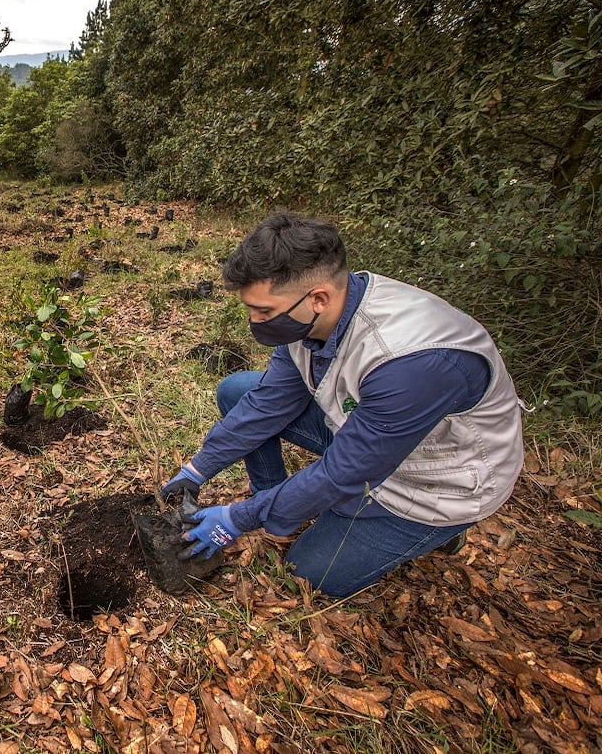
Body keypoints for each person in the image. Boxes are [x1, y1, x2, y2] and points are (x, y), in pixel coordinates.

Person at [166, 212, 524, 596]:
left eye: (265, 312)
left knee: (309, 574)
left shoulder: (412, 362)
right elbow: (267, 405)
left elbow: (346, 472)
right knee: (239, 391)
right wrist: (197, 469)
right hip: (364, 434)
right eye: (251, 308)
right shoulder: (308, 318)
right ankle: (278, 500)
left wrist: (237, 519)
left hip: (436, 481)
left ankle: (435, 534)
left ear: (318, 297)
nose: (255, 322)